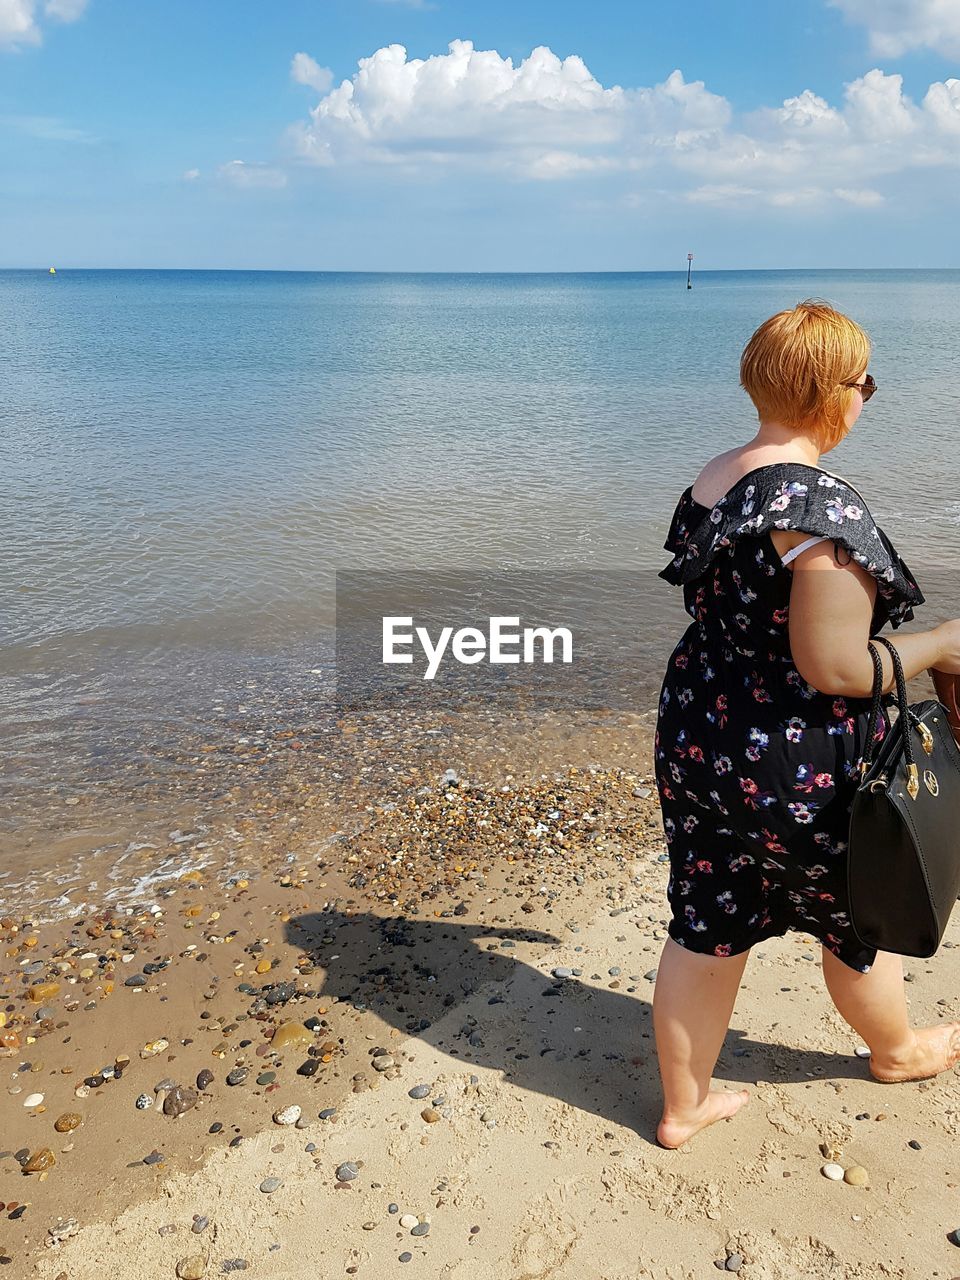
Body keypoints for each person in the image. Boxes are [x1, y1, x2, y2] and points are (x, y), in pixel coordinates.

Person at [651, 299, 960, 1149]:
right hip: (791, 752)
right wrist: (940, 643)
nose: (867, 397)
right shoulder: (819, 509)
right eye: (866, 383)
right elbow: (835, 666)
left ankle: (685, 1107)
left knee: (707, 921)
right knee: (857, 915)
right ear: (835, 394)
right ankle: (895, 1052)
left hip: (702, 729)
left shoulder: (719, 476)